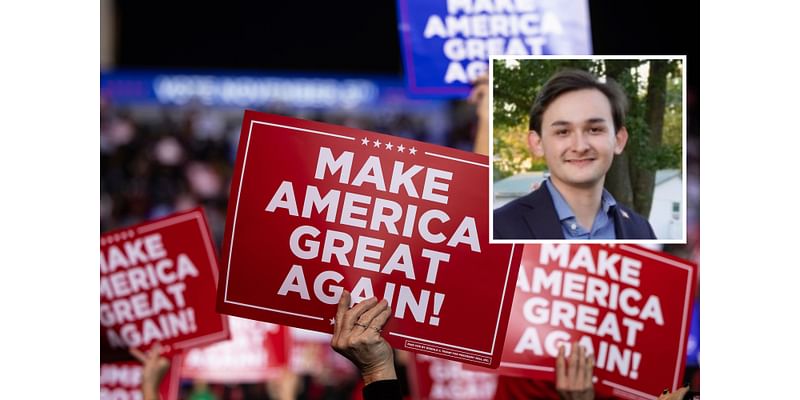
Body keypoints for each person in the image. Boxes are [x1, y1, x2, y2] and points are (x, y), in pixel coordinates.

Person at [491, 69, 656, 240]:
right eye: (563, 132)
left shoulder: (641, 230)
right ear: (537, 143)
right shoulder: (498, 228)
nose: (580, 146)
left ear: (619, 140)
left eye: (594, 130)